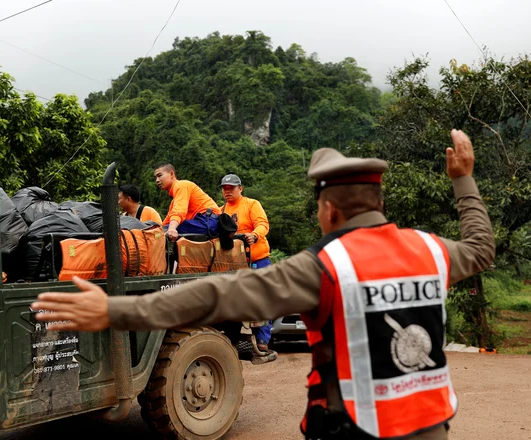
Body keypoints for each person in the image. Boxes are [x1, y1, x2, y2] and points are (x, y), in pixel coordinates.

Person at [31, 129, 495, 440]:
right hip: (435, 426)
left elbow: (217, 294)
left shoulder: (324, 267)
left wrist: (117, 311)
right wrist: (464, 180)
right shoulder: (433, 250)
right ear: (377, 199)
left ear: (328, 210)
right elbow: (480, 247)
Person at [219, 173, 273, 352]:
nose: (227, 192)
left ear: (240, 188)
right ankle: (232, 337)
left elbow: (263, 224)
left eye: (231, 188)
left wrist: (254, 235)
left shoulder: (251, 204)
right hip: (232, 264)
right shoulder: (220, 211)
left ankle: (262, 338)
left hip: (257, 260)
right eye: (224, 189)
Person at [153, 162, 221, 241]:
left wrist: (171, 228)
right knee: (159, 232)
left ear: (171, 174)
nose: (157, 180)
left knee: (163, 231)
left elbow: (179, 210)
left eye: (159, 175)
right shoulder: (174, 201)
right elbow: (166, 223)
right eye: (155, 178)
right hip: (203, 222)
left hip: (209, 221)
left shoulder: (181, 185)